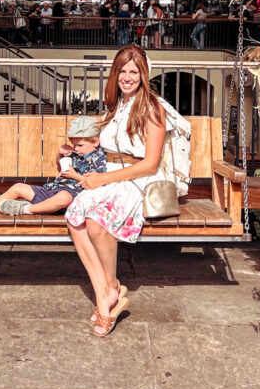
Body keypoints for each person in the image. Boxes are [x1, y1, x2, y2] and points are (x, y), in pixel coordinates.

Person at [66, 44, 190, 337]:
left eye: (133, 71)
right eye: (122, 70)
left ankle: (108, 294)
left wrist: (103, 180)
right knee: (74, 214)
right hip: (111, 175)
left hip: (137, 180)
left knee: (97, 223)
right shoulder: (114, 107)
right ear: (115, 74)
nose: (127, 77)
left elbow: (149, 165)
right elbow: (104, 149)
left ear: (143, 74)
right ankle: (107, 289)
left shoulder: (153, 109)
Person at [0, 116, 106, 216]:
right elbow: (61, 168)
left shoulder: (98, 159)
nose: (76, 148)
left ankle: (26, 209)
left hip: (69, 199)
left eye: (79, 145)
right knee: (18, 187)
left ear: (95, 142)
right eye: (74, 145)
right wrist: (59, 155)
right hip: (51, 190)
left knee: (63, 198)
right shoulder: (76, 153)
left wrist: (74, 175)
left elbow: (95, 183)